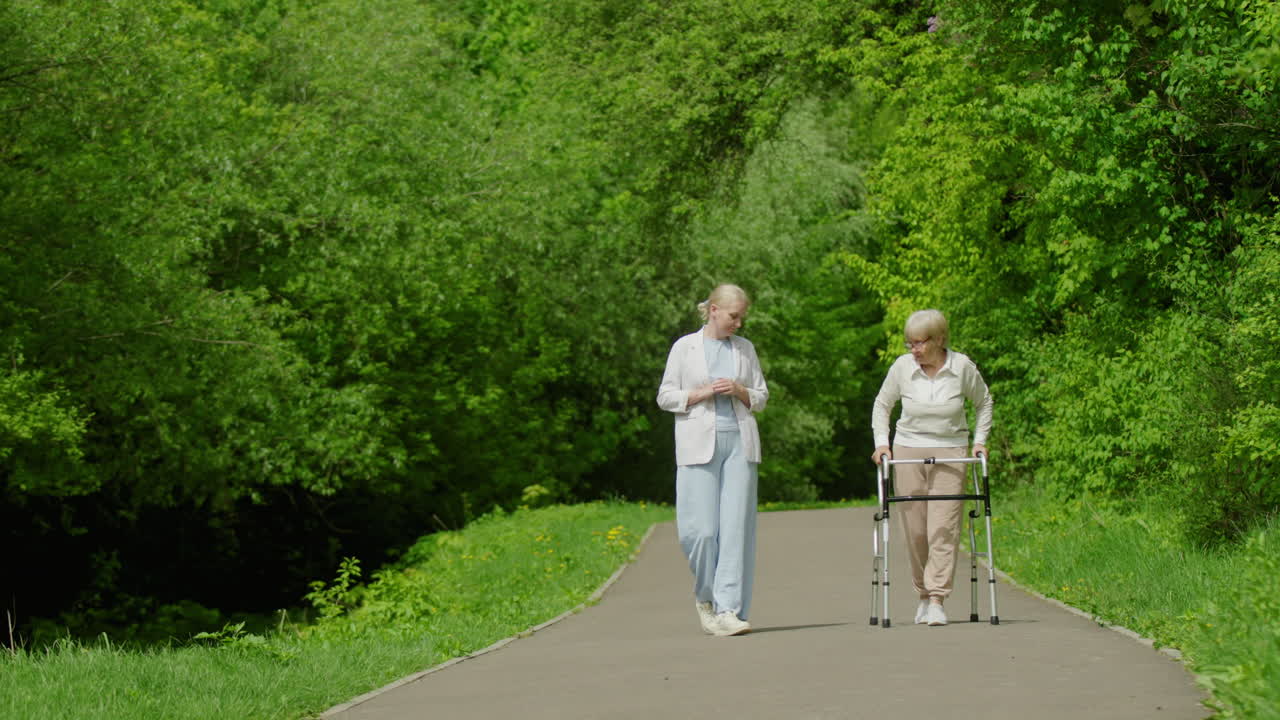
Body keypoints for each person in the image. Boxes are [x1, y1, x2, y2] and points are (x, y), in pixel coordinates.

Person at [657, 284, 768, 637]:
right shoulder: (684, 347)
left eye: (742, 317)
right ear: (714, 310)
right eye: (734, 316)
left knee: (735, 530)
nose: (739, 323)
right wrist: (701, 393)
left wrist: (740, 390)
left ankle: (728, 610)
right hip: (697, 445)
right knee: (701, 532)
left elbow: (761, 396)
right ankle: (705, 598)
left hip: (740, 444)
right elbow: (665, 397)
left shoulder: (745, 349)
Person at [870, 309, 992, 627]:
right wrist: (882, 444)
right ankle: (922, 594)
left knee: (943, 526)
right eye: (909, 343)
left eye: (920, 343)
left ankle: (937, 598)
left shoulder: (962, 367)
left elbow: (984, 402)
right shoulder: (902, 367)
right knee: (915, 530)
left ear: (939, 339)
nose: (914, 349)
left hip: (951, 449)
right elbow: (882, 405)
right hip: (908, 448)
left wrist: (980, 441)